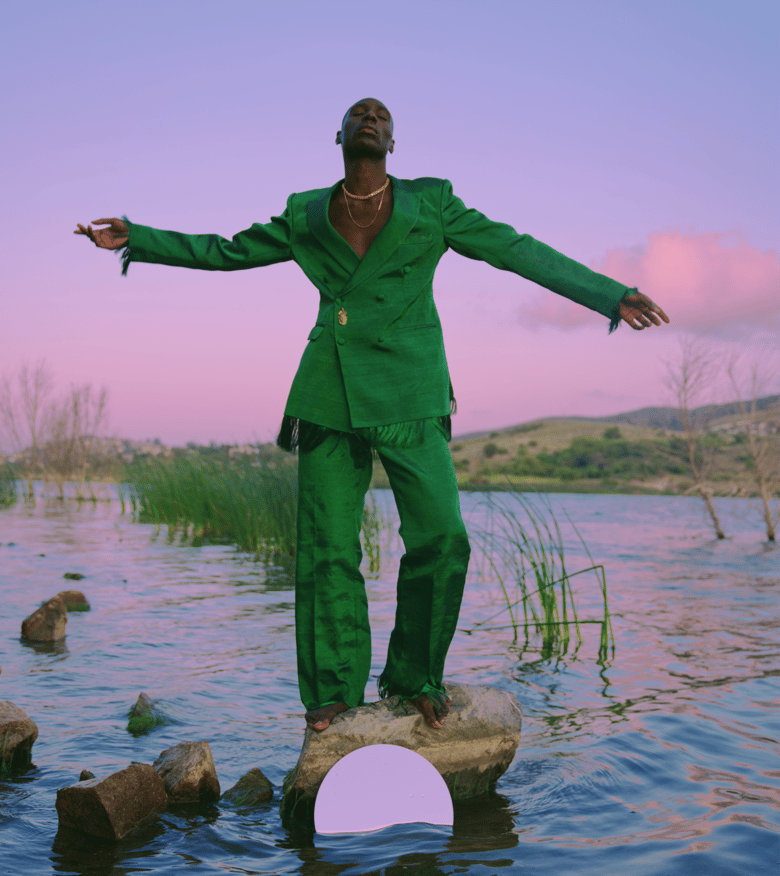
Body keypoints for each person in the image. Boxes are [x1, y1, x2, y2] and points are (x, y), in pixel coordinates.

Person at [76, 97, 669, 732]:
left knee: (443, 538)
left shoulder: (431, 202)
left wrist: (609, 294)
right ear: (337, 135)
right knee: (328, 548)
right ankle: (332, 694)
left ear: (393, 141)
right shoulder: (307, 211)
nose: (369, 118)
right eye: (358, 113)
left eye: (381, 116)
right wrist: (138, 237)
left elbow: (514, 249)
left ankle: (415, 676)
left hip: (411, 392)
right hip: (329, 392)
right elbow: (228, 250)